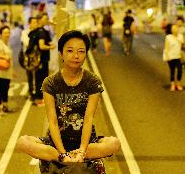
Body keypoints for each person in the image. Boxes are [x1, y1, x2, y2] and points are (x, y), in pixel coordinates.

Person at [17, 30, 120, 173]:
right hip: (56, 141)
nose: (76, 56)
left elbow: (88, 118)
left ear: (85, 54)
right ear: (61, 53)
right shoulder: (51, 83)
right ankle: (63, 158)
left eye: (81, 51)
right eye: (70, 51)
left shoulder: (92, 81)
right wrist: (62, 153)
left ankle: (77, 156)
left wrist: (83, 150)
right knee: (23, 142)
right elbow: (52, 121)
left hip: (86, 141)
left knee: (114, 143)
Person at [32, 13, 56, 106]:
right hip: (42, 59)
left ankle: (38, 98)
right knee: (41, 79)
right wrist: (51, 47)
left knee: (40, 78)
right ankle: (39, 99)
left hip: (39, 59)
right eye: (45, 18)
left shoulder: (38, 30)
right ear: (40, 20)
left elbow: (47, 41)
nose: (47, 20)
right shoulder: (41, 32)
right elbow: (41, 46)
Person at [20, 17, 40, 101]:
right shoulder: (25, 32)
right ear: (29, 24)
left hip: (37, 57)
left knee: (38, 74)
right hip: (28, 57)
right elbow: (26, 42)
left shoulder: (38, 32)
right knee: (30, 75)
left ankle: (37, 92)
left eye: (36, 22)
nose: (35, 24)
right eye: (33, 22)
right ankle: (31, 92)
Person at [163, 24, 185, 91]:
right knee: (172, 70)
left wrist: (177, 38)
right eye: (173, 28)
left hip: (178, 56)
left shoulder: (180, 36)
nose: (175, 29)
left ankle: (178, 83)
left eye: (176, 28)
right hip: (171, 56)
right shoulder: (168, 37)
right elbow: (166, 47)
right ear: (171, 30)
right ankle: (172, 84)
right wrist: (166, 56)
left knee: (180, 70)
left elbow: (182, 44)